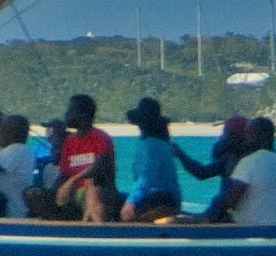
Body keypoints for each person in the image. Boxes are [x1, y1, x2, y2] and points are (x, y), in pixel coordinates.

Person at [211, 117, 276, 225]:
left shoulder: (249, 162)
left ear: (260, 136)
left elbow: (230, 202)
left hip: (246, 227)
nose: (245, 137)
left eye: (248, 133)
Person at [54, 94, 118, 223]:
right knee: (34, 194)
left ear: (83, 114)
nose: (67, 115)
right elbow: (63, 173)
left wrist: (72, 180)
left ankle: (97, 232)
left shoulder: (100, 137)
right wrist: (58, 188)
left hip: (99, 192)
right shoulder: (69, 141)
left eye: (70, 111)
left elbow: (98, 167)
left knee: (92, 185)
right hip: (72, 193)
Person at [121, 99, 184, 222]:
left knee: (130, 216)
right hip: (159, 196)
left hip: (162, 198)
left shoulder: (152, 144)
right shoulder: (155, 142)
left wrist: (131, 202)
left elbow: (146, 177)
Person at [0, 113, 36, 218]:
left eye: (2, 130)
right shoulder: (2, 152)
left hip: (12, 216)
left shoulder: (19, 149)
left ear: (12, 133)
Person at [175, 113, 251, 190]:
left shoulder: (232, 157)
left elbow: (202, 173)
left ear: (233, 135)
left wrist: (180, 154)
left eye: (225, 131)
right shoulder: (252, 154)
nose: (221, 136)